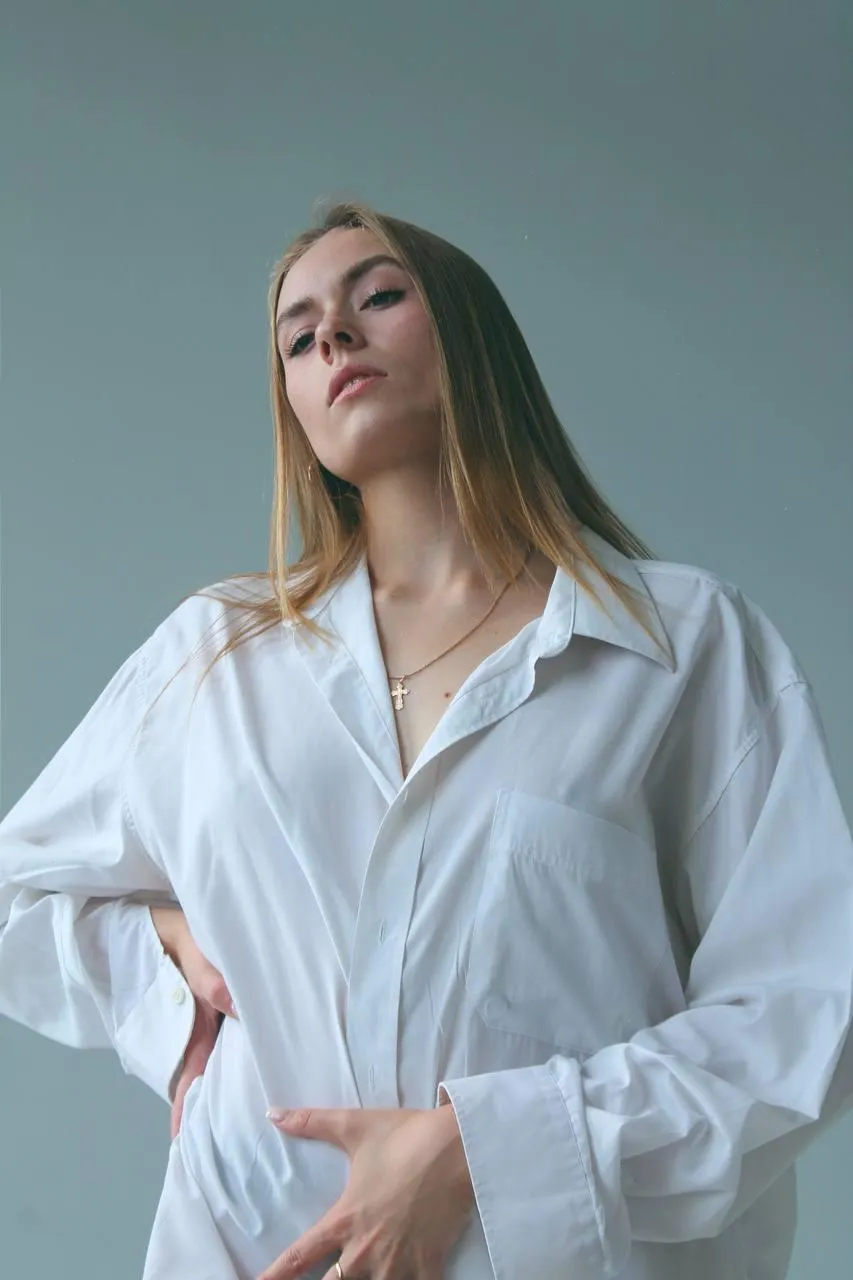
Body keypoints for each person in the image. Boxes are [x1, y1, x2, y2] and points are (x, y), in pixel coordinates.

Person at [1, 199, 852, 1280]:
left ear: (471, 336)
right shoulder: (215, 655)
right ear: (293, 405)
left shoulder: (674, 645)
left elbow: (804, 1005)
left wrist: (483, 1150)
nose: (335, 340)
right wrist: (164, 950)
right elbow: (14, 895)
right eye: (299, 336)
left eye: (379, 297)